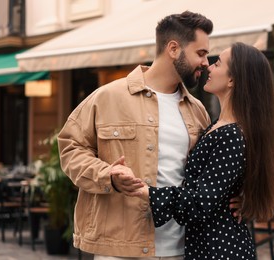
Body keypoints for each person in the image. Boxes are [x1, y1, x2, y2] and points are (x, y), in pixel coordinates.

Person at [57, 11, 213, 259]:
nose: (206, 62)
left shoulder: (198, 111)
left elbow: (207, 175)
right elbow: (70, 149)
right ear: (174, 48)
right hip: (119, 247)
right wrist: (108, 176)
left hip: (181, 247)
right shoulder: (107, 97)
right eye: (201, 53)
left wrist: (234, 197)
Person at [110, 42, 274, 259]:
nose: (209, 67)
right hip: (209, 245)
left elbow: (199, 203)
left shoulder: (231, 134)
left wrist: (146, 191)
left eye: (218, 64)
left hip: (219, 249)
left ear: (232, 79)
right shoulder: (217, 126)